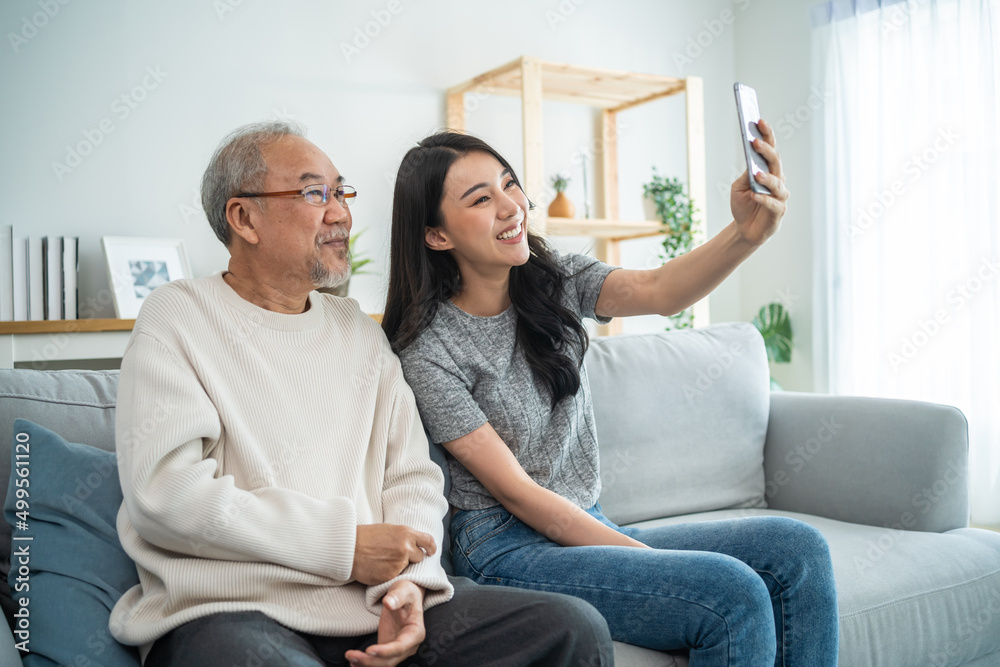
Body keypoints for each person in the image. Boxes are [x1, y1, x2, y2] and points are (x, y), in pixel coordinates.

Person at [109, 121, 614, 667]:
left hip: (373, 606)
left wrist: (413, 586)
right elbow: (166, 493)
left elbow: (412, 476)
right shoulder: (178, 316)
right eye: (313, 193)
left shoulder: (355, 329)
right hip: (229, 613)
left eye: (341, 191)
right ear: (243, 218)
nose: (340, 213)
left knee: (570, 628)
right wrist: (346, 547)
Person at [382, 128, 840, 665]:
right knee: (729, 591)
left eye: (510, 185)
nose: (512, 207)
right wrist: (658, 565)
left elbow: (661, 291)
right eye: (481, 199)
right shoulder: (428, 350)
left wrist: (747, 234)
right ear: (437, 236)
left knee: (797, 551)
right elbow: (519, 495)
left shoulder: (552, 280)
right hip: (506, 546)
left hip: (587, 520)